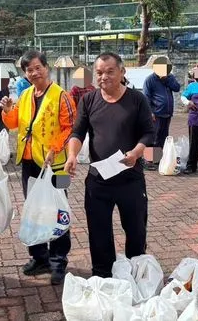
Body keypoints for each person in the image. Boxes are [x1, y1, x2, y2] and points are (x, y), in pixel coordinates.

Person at [63, 52, 155, 278]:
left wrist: (135, 153)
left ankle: (136, 272)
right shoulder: (88, 100)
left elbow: (148, 132)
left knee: (135, 231)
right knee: (99, 232)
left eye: (110, 71)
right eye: (99, 73)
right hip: (98, 181)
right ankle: (103, 275)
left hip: (130, 178)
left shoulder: (136, 99)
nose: (103, 77)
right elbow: (77, 132)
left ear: (122, 72)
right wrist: (72, 155)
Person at [1, 51, 76, 285]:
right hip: (29, 162)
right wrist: (6, 110)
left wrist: (54, 148)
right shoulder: (24, 95)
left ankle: (58, 261)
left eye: (37, 68)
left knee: (58, 210)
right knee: (34, 209)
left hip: (58, 166)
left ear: (46, 68)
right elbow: (15, 123)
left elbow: (71, 127)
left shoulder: (61, 96)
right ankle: (39, 257)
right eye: (28, 70)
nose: (33, 73)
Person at [143, 56, 181, 148]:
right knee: (154, 137)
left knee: (163, 137)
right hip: (156, 114)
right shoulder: (150, 80)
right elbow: (146, 97)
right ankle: (152, 160)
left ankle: (160, 159)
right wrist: (150, 112)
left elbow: (176, 88)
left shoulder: (170, 77)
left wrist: (167, 79)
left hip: (167, 113)